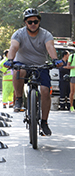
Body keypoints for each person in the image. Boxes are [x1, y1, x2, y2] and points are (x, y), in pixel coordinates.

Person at [3, 8, 62, 136]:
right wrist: (10, 60)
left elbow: (50, 47)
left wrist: (55, 59)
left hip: (41, 65)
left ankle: (44, 122)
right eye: (30, 22)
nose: (33, 24)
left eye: (35, 21)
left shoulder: (46, 34)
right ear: (25, 23)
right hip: (22, 63)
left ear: (39, 21)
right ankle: (19, 98)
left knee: (45, 92)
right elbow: (13, 47)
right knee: (20, 71)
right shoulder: (18, 34)